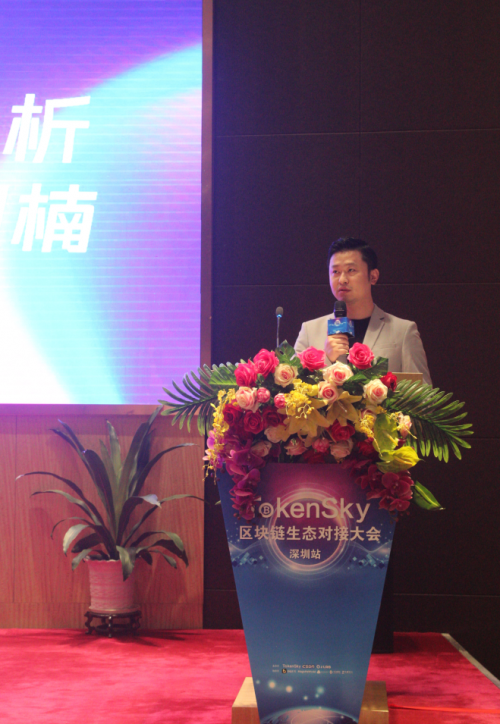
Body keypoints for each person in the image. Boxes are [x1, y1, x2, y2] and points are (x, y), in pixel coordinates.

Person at [294, 237, 432, 385]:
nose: (342, 279)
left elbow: (423, 395)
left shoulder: (403, 331)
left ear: (373, 276)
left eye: (351, 270)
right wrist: (329, 359)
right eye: (335, 271)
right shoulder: (309, 331)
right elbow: (291, 391)